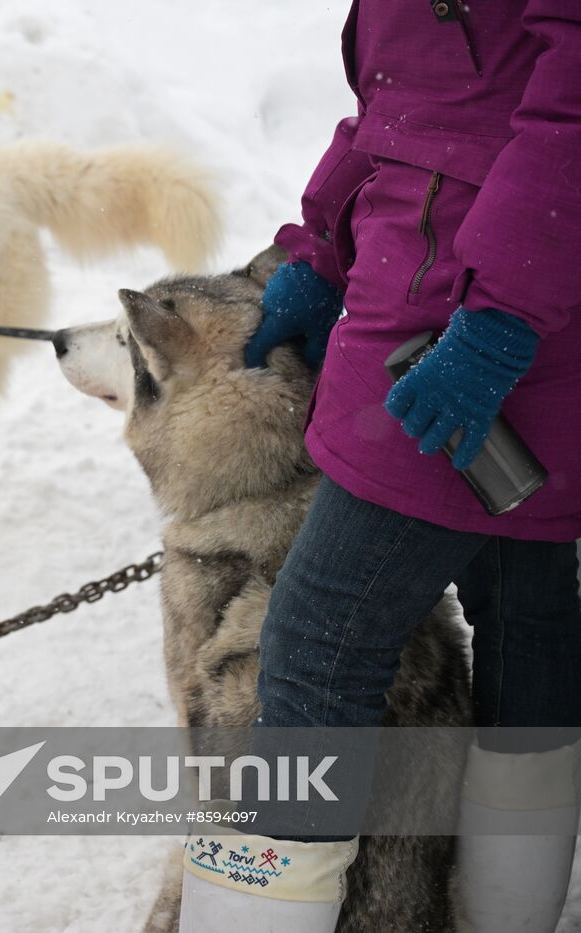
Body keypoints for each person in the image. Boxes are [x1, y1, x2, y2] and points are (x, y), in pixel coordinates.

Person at [177, 3, 581, 931]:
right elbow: (406, 96)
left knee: (319, 642)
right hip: (457, 283)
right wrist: (323, 248)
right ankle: (504, 914)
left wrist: (502, 318)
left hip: (475, 311)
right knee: (526, 606)